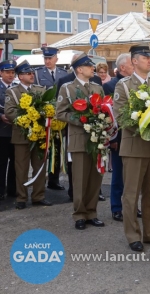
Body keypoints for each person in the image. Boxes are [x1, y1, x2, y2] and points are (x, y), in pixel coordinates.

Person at [113, 44, 150, 252]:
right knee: (131, 194)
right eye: (145, 57)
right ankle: (132, 235)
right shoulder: (124, 86)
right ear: (134, 61)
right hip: (134, 146)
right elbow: (120, 116)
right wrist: (146, 122)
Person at [56, 53, 106, 230]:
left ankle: (92, 212)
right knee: (79, 178)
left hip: (97, 139)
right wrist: (82, 119)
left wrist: (102, 120)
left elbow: (104, 109)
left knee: (95, 178)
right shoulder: (67, 88)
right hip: (78, 139)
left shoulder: (97, 87)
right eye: (89, 66)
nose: (93, 68)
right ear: (79, 69)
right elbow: (60, 113)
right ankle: (79, 214)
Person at [4, 61, 53, 209]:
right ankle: (21, 197)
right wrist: (27, 120)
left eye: (32, 73)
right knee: (21, 168)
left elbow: (49, 106)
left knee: (39, 167)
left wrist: (42, 116)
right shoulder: (12, 92)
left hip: (39, 136)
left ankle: (39, 196)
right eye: (28, 73)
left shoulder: (40, 89)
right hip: (21, 136)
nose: (32, 75)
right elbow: (10, 111)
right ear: (20, 76)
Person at [102, 53, 142, 221]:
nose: (134, 67)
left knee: (133, 177)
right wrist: (113, 140)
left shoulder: (137, 84)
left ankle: (132, 206)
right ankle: (116, 207)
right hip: (119, 138)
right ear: (123, 67)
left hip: (136, 137)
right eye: (131, 65)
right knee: (119, 174)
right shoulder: (111, 85)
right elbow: (110, 116)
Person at [34, 46, 68, 191]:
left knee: (58, 149)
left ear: (56, 59)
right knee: (44, 149)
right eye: (45, 58)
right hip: (44, 118)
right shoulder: (37, 73)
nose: (47, 61)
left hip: (59, 118)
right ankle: (40, 180)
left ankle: (53, 180)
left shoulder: (63, 73)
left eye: (50, 58)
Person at [0, 60, 17, 200]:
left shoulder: (17, 88)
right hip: (1, 132)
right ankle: (0, 190)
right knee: (1, 162)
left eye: (12, 72)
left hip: (15, 131)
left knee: (15, 162)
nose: (10, 75)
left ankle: (13, 189)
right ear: (1, 73)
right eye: (7, 72)